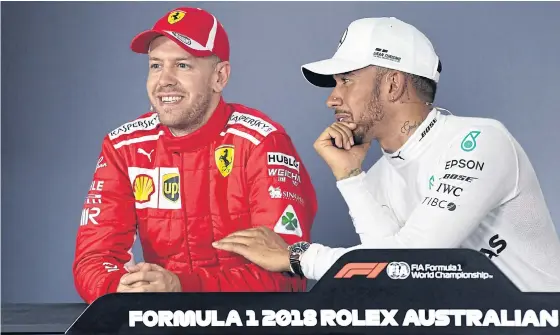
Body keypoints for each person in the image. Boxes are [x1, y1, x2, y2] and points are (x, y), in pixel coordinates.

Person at [213, 17, 560, 292]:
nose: (332, 99)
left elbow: (411, 260)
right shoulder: (375, 178)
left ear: (393, 84)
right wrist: (351, 178)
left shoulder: (481, 140)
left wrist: (296, 256)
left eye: (346, 80)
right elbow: (395, 280)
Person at [73, 7, 317, 304]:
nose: (164, 80)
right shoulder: (124, 147)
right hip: (160, 321)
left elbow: (288, 274)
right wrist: (119, 291)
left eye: (183, 65)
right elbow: (94, 257)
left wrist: (181, 288)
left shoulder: (262, 143)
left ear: (220, 76)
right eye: (155, 65)